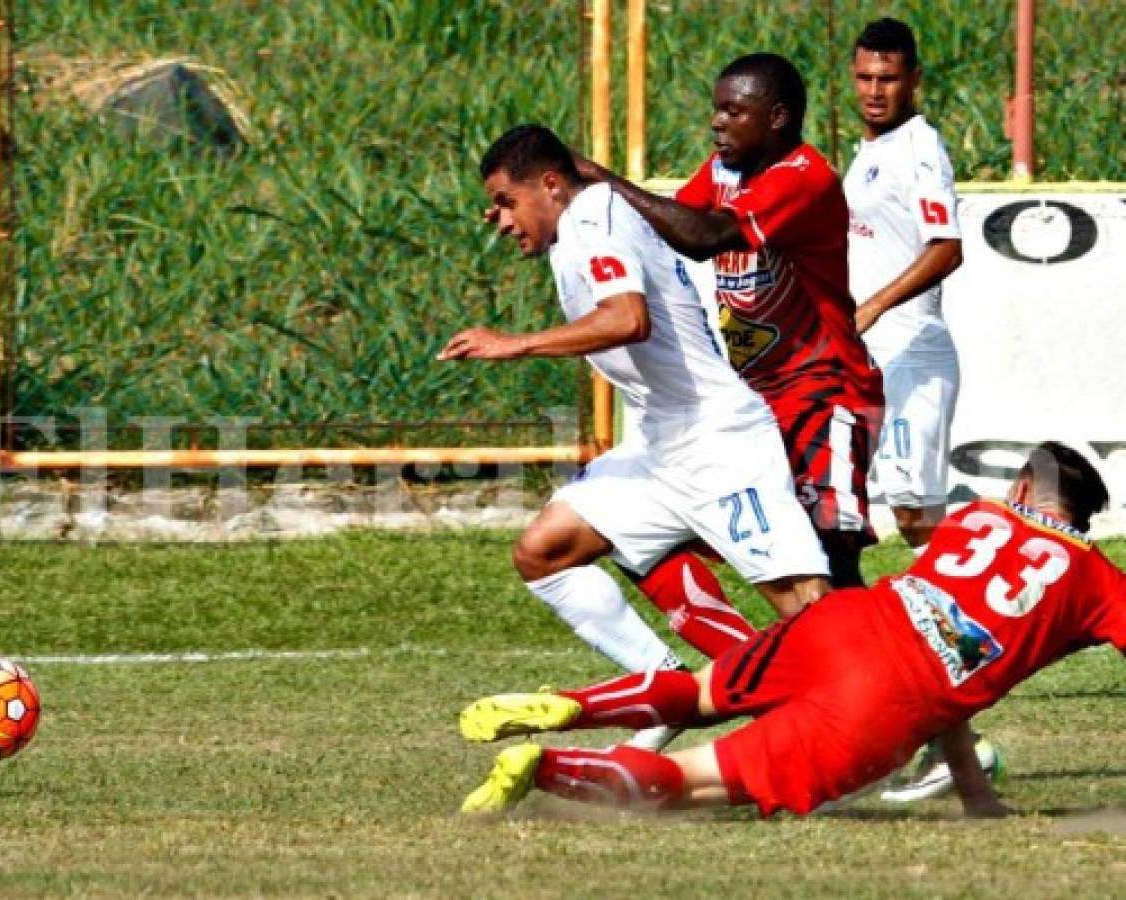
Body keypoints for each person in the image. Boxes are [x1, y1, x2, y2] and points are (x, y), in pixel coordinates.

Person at [458, 442, 1120, 820]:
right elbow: (955, 660)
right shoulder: (1096, 581)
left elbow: (941, 619)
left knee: (694, 693)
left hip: (843, 622)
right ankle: (547, 767)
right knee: (682, 782)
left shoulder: (977, 519)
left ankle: (574, 702)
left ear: (1023, 486)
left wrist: (974, 792)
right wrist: (976, 798)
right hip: (887, 703)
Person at [440, 124, 832, 748]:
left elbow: (628, 318)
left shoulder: (594, 215)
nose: (502, 220)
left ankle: (921, 733)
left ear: (550, 185)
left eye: (508, 201)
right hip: (658, 447)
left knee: (808, 608)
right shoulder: (576, 225)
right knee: (545, 551)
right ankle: (666, 688)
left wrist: (514, 344)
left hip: (717, 442)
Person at [569, 53, 884, 665]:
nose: (716, 123)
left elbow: (704, 235)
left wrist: (602, 178)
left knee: (830, 557)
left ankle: (927, 716)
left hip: (825, 393)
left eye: (733, 111)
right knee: (657, 529)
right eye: (717, 108)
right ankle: (754, 671)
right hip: (753, 400)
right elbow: (666, 225)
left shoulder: (804, 176)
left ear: (778, 118)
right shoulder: (723, 170)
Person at [842, 17, 981, 803]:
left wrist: (871, 307)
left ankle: (966, 653)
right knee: (886, 520)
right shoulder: (870, 151)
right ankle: (939, 684)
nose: (873, 91)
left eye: (887, 79)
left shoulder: (919, 146)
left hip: (910, 360)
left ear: (913, 80)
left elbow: (945, 247)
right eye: (863, 77)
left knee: (917, 524)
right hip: (873, 361)